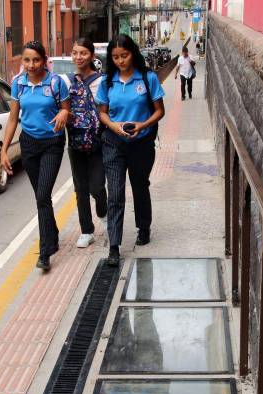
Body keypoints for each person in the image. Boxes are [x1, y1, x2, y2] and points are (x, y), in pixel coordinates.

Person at [95, 34, 165, 267]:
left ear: (132, 53)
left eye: (124, 56)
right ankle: (114, 246)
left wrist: (142, 125)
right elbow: (102, 112)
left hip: (141, 143)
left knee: (139, 185)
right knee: (114, 193)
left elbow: (159, 111)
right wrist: (113, 126)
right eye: (115, 57)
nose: (120, 61)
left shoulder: (147, 78)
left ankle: (143, 227)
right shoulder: (107, 82)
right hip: (113, 143)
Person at [0, 41, 70, 271]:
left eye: (36, 60)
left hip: (52, 143)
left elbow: (66, 108)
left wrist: (63, 112)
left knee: (42, 195)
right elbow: (12, 119)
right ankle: (53, 234)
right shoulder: (18, 84)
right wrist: (4, 150)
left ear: (44, 60)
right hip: (28, 144)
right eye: (26, 60)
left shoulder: (56, 82)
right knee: (42, 198)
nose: (31, 65)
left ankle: (45, 251)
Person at [62, 37, 108, 249]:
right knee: (80, 189)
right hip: (75, 142)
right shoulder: (66, 81)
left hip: (98, 142)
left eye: (83, 53)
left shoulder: (102, 81)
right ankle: (86, 230)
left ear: (91, 56)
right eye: (75, 53)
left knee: (97, 187)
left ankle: (103, 211)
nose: (78, 57)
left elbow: (108, 110)